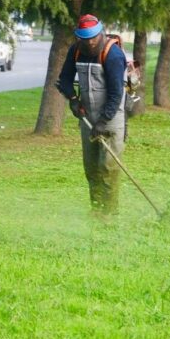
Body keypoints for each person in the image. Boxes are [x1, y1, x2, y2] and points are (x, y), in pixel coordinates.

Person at [56, 15, 127, 216]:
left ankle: (110, 214)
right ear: (78, 37)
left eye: (93, 37)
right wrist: (73, 99)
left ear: (101, 33)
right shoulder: (76, 50)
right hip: (88, 118)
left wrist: (103, 121)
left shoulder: (112, 55)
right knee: (92, 169)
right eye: (84, 38)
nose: (89, 42)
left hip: (111, 119)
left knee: (108, 169)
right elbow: (65, 79)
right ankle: (96, 210)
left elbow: (116, 94)